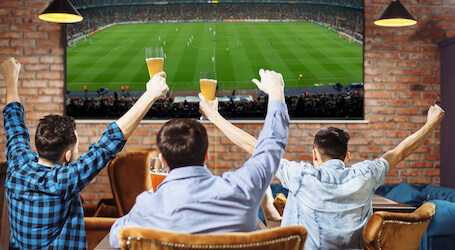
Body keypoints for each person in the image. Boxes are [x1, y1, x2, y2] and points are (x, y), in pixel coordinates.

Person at [199, 91, 445, 249]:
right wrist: (431, 124)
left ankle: (272, 213)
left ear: (314, 155)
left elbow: (255, 147)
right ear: (347, 156)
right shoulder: (366, 174)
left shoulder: (301, 175)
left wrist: (213, 115)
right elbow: (401, 151)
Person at [109, 69, 289, 248]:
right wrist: (276, 92)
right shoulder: (242, 188)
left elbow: (116, 238)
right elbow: (271, 145)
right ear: (206, 154)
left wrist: (152, 196)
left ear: (163, 160)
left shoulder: (148, 205)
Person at [2, 57, 169, 250]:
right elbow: (108, 143)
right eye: (77, 146)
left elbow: (14, 122)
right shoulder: (62, 182)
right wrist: (150, 95)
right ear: (67, 155)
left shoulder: (17, 166)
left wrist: (11, 77)